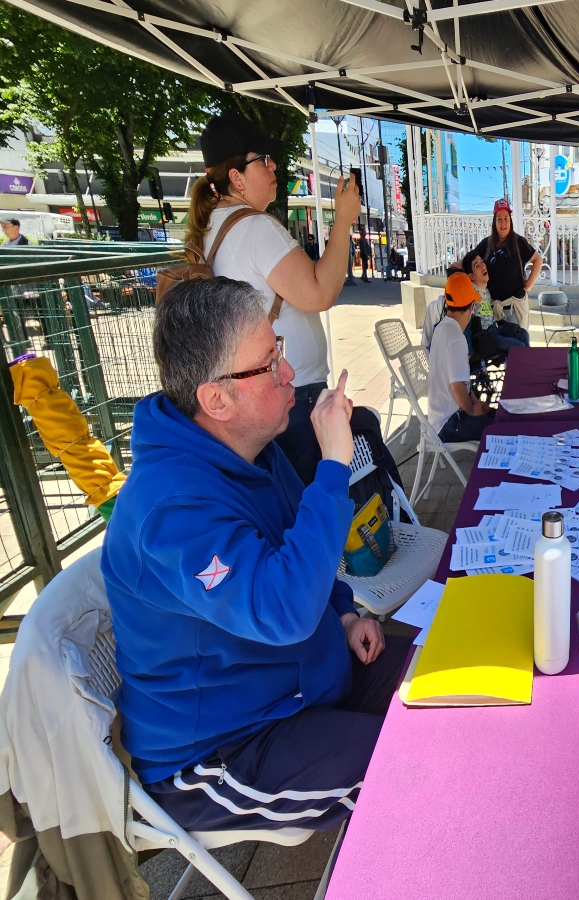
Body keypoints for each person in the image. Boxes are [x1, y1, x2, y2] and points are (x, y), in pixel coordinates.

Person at [101, 277, 411, 833]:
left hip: (302, 681)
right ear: (217, 399)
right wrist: (333, 468)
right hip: (220, 749)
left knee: (444, 680)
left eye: (280, 351)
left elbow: (301, 551)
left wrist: (343, 611)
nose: (288, 372)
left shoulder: (251, 447)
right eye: (269, 363)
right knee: (412, 764)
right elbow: (284, 609)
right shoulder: (169, 510)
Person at [185, 111, 360, 485]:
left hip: (257, 401)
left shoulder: (209, 230)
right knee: (313, 510)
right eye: (262, 159)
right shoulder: (255, 227)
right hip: (293, 398)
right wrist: (343, 221)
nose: (273, 165)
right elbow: (320, 292)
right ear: (236, 178)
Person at [428, 272, 496, 443]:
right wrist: (473, 411)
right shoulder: (457, 338)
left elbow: (461, 381)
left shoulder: (442, 328)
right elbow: (457, 386)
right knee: (499, 429)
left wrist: (475, 401)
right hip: (449, 423)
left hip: (440, 419)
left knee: (497, 417)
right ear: (472, 306)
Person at [472, 199, 543, 331]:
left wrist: (528, 285)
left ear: (510, 220)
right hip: (493, 309)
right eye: (499, 219)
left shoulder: (518, 242)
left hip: (513, 309)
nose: (503, 223)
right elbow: (470, 258)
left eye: (506, 218)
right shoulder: (486, 244)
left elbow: (538, 260)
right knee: (498, 348)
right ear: (494, 222)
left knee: (517, 348)